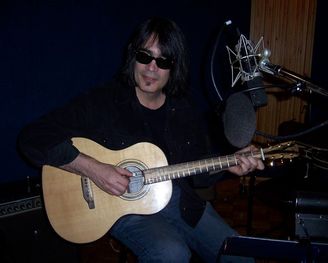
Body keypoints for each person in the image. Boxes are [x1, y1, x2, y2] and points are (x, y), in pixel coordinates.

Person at [17, 17, 264, 262]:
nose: (151, 68)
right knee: (172, 253)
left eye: (163, 61)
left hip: (180, 201)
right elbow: (32, 138)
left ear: (174, 67)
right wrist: (95, 170)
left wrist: (228, 164)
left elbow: (199, 172)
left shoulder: (184, 108)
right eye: (145, 56)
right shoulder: (102, 102)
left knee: (239, 253)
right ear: (133, 57)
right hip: (119, 205)